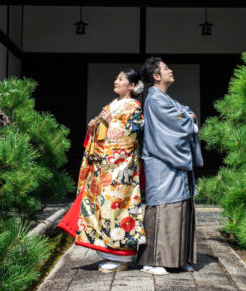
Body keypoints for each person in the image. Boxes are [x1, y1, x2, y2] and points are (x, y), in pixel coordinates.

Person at [58, 68, 145, 272]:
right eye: (116, 77)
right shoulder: (112, 104)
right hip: (102, 166)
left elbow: (132, 136)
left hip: (120, 168)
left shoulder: (134, 107)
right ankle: (107, 250)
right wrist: (93, 128)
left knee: (117, 208)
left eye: (121, 79)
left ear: (132, 86)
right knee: (100, 207)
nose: (116, 81)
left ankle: (121, 255)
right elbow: (100, 134)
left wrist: (108, 122)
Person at [137, 57, 202, 275]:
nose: (170, 71)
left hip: (173, 164)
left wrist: (187, 115)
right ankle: (152, 261)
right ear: (156, 76)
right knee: (163, 210)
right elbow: (181, 119)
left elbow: (184, 112)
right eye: (166, 69)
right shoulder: (154, 99)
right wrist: (189, 117)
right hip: (162, 164)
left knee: (180, 209)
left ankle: (177, 258)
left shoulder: (163, 98)